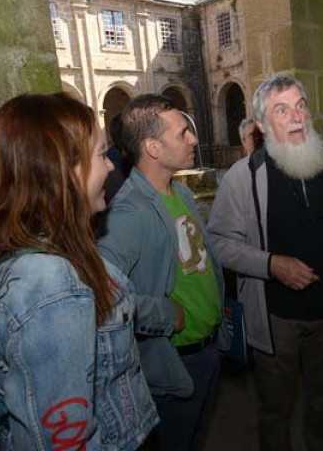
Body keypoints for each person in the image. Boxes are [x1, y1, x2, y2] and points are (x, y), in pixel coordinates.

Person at [0, 93, 158, 450]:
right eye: (101, 154)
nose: (111, 167)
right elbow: (63, 439)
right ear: (65, 169)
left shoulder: (46, 254)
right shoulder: (50, 285)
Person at [208, 75, 323, 451]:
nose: (296, 116)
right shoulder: (243, 177)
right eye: (282, 110)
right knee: (275, 408)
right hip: (277, 318)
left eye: (300, 106)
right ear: (262, 124)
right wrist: (270, 264)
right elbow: (217, 242)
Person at [98, 94, 230, 451]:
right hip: (175, 362)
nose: (194, 139)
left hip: (209, 347)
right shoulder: (128, 214)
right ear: (153, 147)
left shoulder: (182, 192)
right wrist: (163, 314)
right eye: (184, 132)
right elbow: (99, 297)